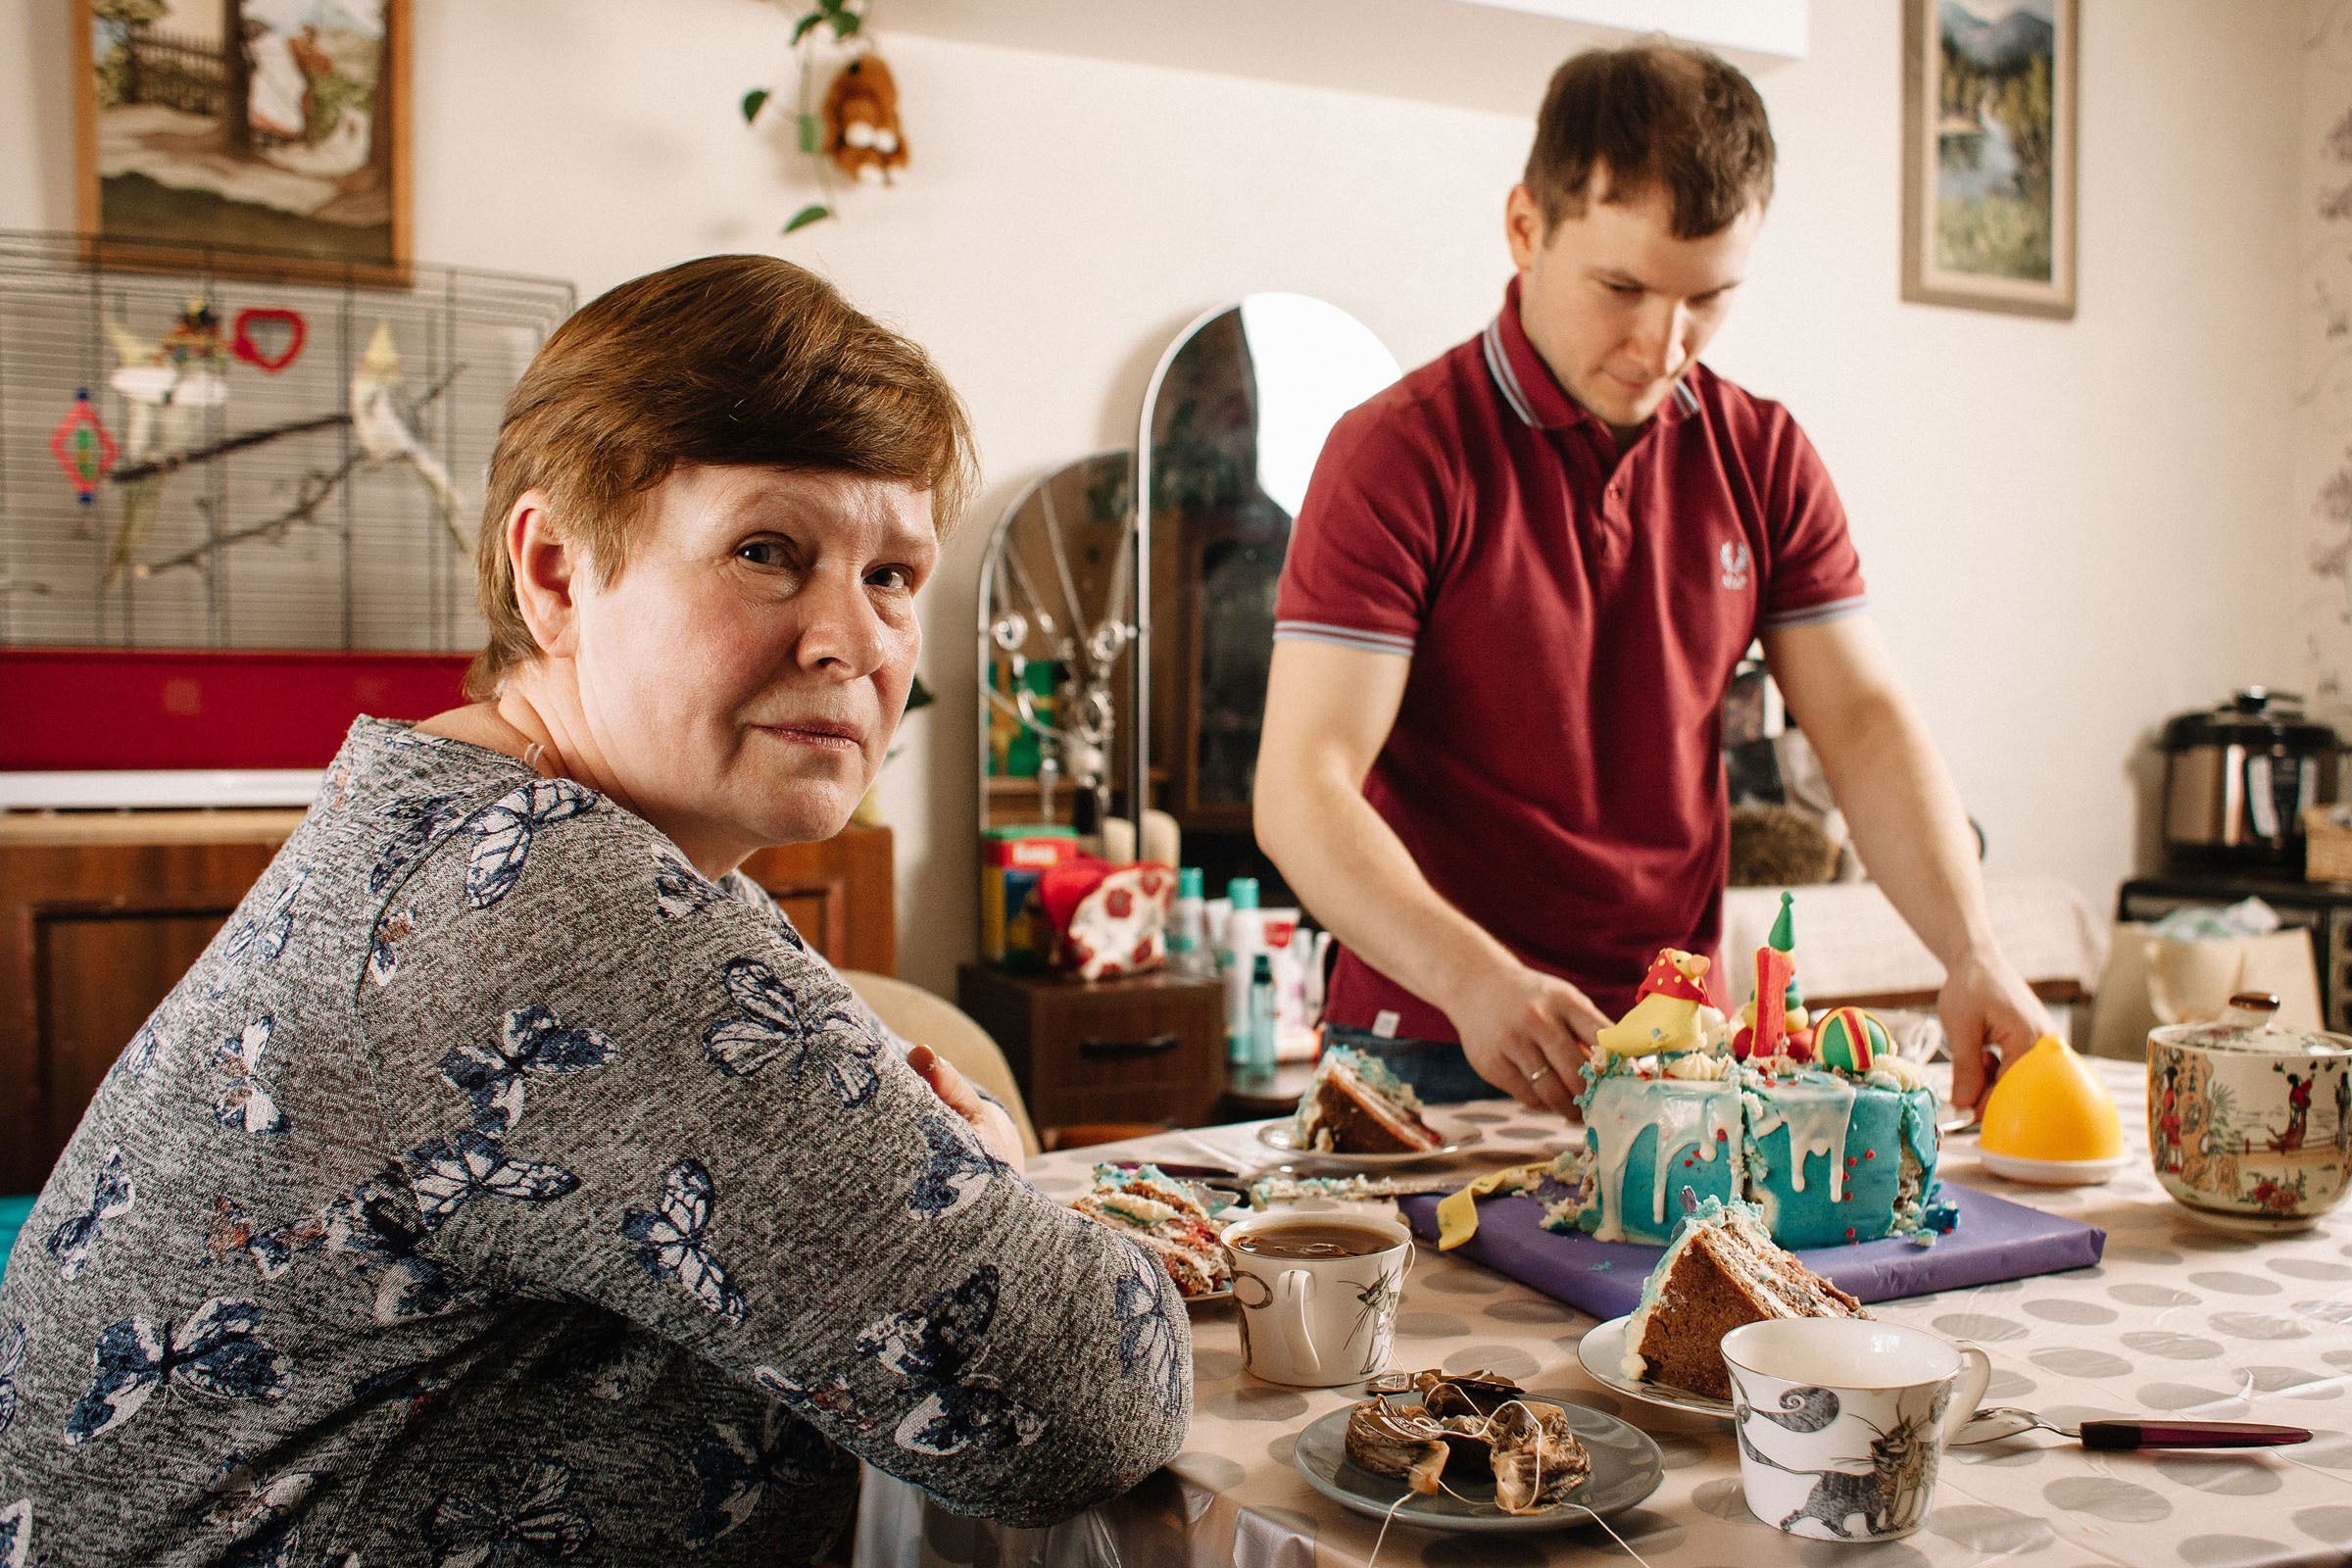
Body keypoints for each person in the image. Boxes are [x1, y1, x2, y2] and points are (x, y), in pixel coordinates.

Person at [0, 255, 1190, 1566]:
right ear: (555, 572)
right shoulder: (555, 912)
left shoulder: (461, 819)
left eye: (895, 574)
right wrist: (998, 1193)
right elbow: (1082, 1395)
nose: (850, 639)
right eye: (765, 553)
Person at [1254, 41, 2046, 1118]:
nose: (1660, 344)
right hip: (1435, 1041)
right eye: (1622, 287)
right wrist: (1479, 981)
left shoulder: (1762, 456)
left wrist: (1971, 948)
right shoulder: (1397, 454)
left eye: (1707, 299)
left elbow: (1861, 722)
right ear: (1526, 226)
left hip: (1681, 1050)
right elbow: (1304, 788)